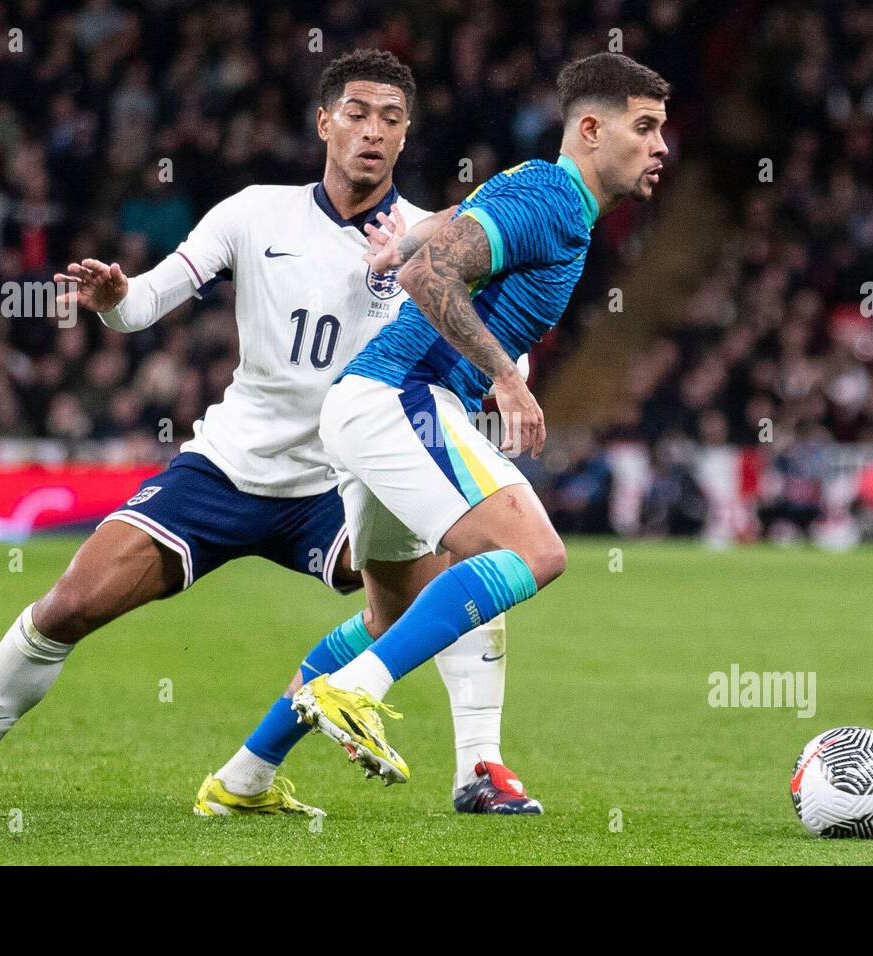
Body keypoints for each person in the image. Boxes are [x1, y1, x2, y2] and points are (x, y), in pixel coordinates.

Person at [0, 49, 540, 817]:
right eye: (356, 113)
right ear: (324, 122)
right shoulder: (254, 212)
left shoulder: (431, 238)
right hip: (227, 468)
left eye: (391, 118)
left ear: (407, 132)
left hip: (342, 481)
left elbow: (489, 336)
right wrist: (114, 297)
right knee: (70, 603)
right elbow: (143, 303)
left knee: (463, 581)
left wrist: (503, 374)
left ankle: (480, 772)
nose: (373, 131)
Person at [289, 53, 670, 787]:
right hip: (402, 397)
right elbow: (430, 277)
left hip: (375, 404)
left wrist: (400, 239)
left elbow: (443, 233)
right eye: (646, 128)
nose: (661, 147)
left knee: (399, 609)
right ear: (590, 129)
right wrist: (506, 376)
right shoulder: (554, 197)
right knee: (535, 554)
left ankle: (247, 772)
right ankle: (360, 690)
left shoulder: (541, 195)